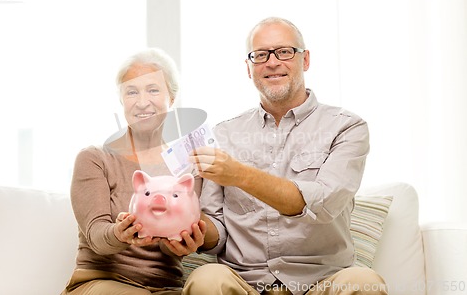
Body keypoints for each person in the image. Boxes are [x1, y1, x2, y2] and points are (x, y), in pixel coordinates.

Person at [184, 17, 388, 295]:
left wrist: (239, 174)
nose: (272, 62)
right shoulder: (223, 134)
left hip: (321, 282)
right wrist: (190, 230)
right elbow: (216, 232)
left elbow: (323, 204)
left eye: (284, 51)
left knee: (365, 283)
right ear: (248, 68)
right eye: (260, 55)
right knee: (207, 278)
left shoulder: (347, 127)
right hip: (245, 283)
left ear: (305, 60)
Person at [61, 48, 206, 295]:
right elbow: (96, 236)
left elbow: (171, 245)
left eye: (152, 89)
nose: (141, 102)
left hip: (166, 287)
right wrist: (120, 233)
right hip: (102, 282)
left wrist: (180, 243)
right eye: (131, 92)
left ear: (171, 97)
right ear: (121, 100)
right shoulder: (95, 158)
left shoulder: (187, 166)